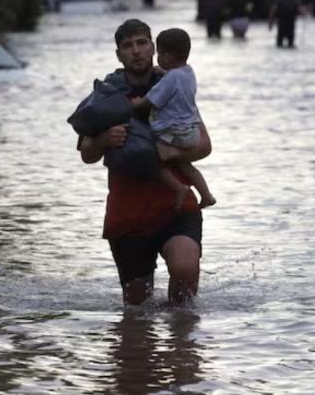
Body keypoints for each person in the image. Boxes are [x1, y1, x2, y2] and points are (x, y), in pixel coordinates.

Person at [78, 18, 211, 306]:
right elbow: (87, 154)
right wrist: (104, 140)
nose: (136, 51)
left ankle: (182, 346)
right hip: (128, 214)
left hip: (177, 205)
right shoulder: (106, 94)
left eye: (141, 43)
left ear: (153, 47)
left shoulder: (174, 81)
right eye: (127, 46)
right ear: (119, 55)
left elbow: (204, 145)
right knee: (137, 312)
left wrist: (169, 153)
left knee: (185, 278)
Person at [129, 28, 215, 210]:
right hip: (191, 132)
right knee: (184, 164)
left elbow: (152, 99)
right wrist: (164, 72)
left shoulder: (170, 79)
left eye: (159, 54)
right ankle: (206, 195)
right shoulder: (188, 72)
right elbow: (175, 80)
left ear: (167, 56)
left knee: (153, 158)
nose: (158, 58)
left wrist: (136, 104)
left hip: (174, 132)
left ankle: (179, 188)